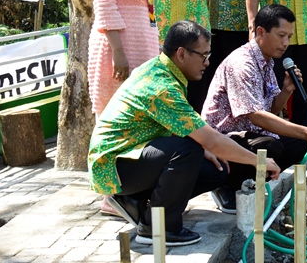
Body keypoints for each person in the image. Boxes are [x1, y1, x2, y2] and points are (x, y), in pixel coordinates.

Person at [88, 20, 282, 246]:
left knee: (215, 169)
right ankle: (158, 228)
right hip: (113, 164)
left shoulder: (165, 70)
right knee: (188, 148)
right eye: (203, 55)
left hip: (135, 155)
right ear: (181, 53)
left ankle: (136, 199)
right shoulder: (161, 86)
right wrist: (258, 162)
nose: (207, 63)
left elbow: (194, 132)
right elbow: (211, 139)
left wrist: (206, 149)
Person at [202, 4, 307, 212]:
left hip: (251, 132)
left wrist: (287, 90)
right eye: (281, 35)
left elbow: (269, 110)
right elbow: (256, 116)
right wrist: (305, 131)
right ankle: (227, 185)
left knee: (303, 144)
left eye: (289, 36)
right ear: (260, 32)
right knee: (272, 146)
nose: (286, 43)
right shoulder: (242, 63)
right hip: (223, 139)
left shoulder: (266, 60)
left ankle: (252, 180)